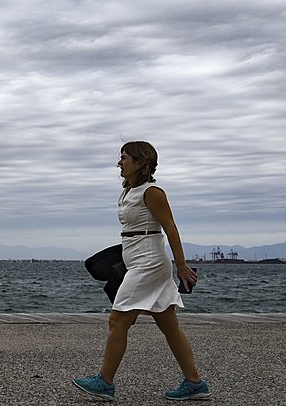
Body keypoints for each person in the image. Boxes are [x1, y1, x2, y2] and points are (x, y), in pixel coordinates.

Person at [72, 141, 211, 401]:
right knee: (168, 323)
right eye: (120, 157)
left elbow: (170, 228)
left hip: (149, 262)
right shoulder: (127, 192)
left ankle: (105, 381)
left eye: (125, 158)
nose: (120, 162)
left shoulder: (152, 192)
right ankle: (195, 383)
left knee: (118, 319)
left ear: (140, 162)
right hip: (136, 258)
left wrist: (181, 265)